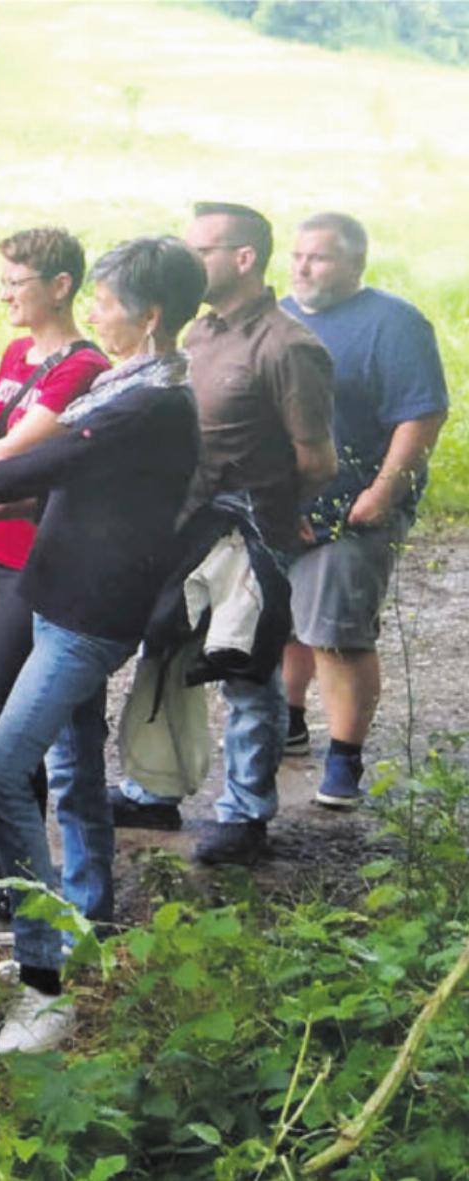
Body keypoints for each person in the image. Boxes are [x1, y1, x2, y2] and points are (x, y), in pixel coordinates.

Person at [0, 236, 205, 1053]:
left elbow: (49, 460)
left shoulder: (150, 402)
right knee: (73, 761)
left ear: (151, 315)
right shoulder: (132, 380)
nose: (94, 310)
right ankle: (84, 919)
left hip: (88, 616)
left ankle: (43, 983)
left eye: (105, 299)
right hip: (57, 594)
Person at [110, 203, 336, 866]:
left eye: (201, 249)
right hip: (181, 527)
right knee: (165, 655)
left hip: (249, 536)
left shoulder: (289, 347)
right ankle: (152, 789)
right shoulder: (198, 336)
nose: (187, 261)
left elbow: (316, 459)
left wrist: (271, 519)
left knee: (247, 667)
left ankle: (245, 813)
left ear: (244, 257)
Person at [0, 227, 110, 946]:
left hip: (28, 566)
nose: (4, 294)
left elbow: (9, 451)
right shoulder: (17, 354)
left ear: (61, 284)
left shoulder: (86, 367)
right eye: (2, 281)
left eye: (17, 282)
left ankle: (16, 891)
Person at [279, 213, 450, 808]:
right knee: (284, 616)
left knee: (336, 633)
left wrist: (382, 492)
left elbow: (421, 414)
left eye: (319, 258)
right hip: (287, 503)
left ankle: (344, 760)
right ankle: (289, 722)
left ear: (355, 262)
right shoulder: (281, 316)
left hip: (354, 506)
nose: (303, 267)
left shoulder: (394, 324)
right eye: (298, 255)